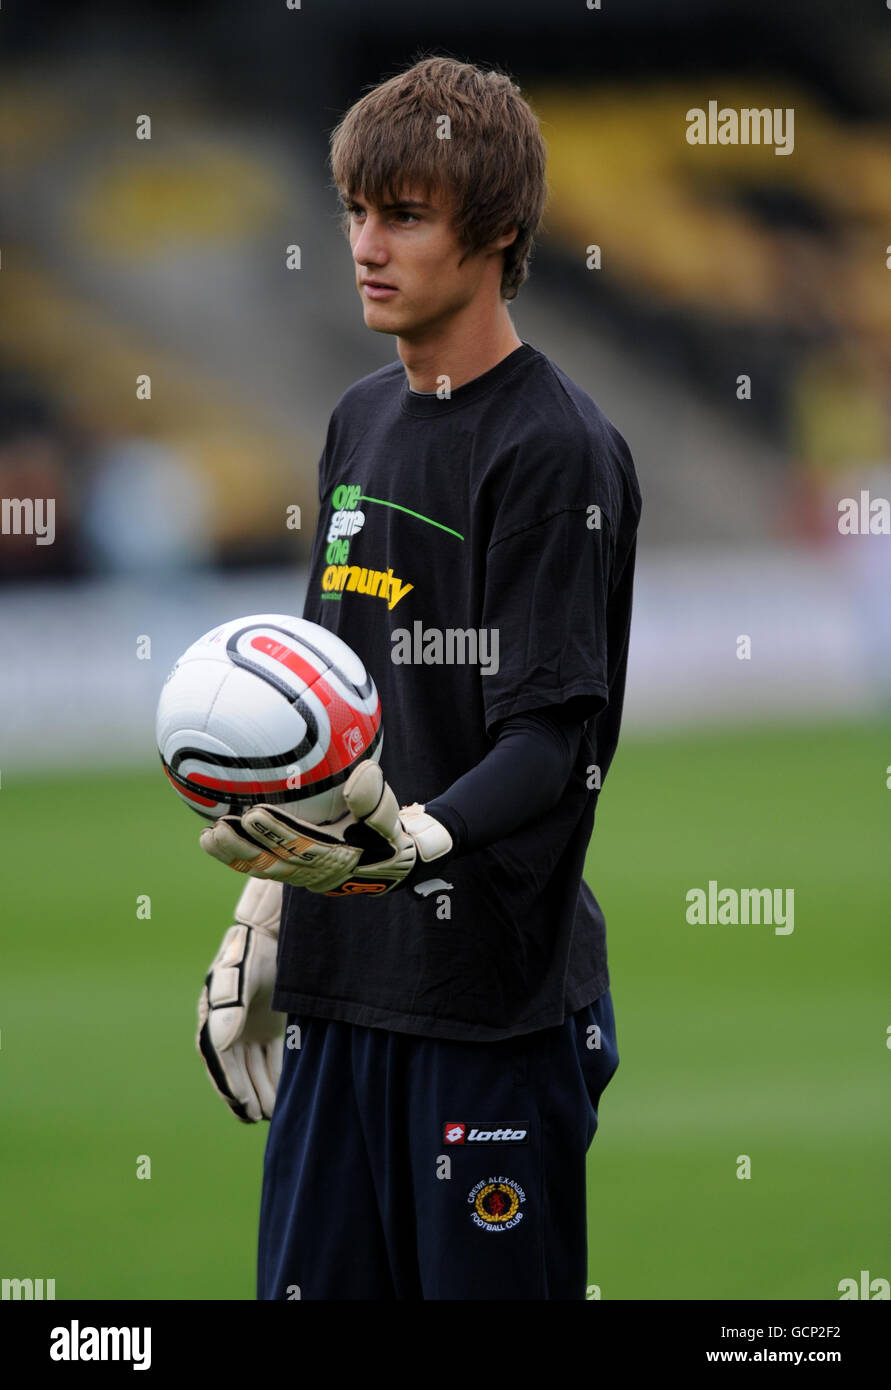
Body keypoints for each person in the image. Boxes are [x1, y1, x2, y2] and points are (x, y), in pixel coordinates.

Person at [196, 55, 641, 1301]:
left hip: (487, 1017)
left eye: (403, 214)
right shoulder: (357, 420)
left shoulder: (554, 448)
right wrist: (266, 911)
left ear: (496, 232)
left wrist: (413, 842)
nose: (364, 244)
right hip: (344, 1000)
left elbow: (550, 744)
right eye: (355, 210)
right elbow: (312, 711)